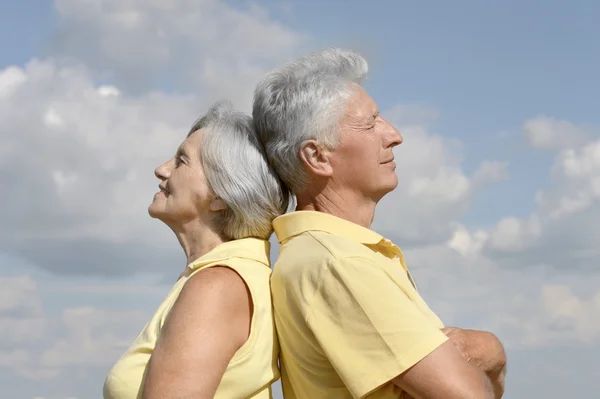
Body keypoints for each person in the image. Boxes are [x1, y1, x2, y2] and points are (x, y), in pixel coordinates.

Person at [253, 48, 507, 399]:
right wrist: (490, 350)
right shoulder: (339, 264)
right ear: (317, 156)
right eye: (370, 123)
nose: (394, 134)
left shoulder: (322, 255)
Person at [103, 100, 290, 399]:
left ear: (221, 196)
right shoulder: (223, 277)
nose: (161, 170)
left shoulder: (217, 286)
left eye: (181, 160)